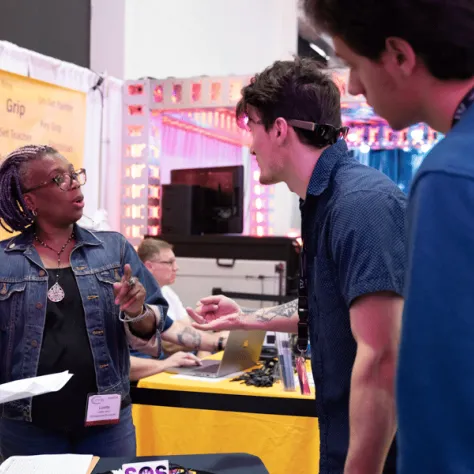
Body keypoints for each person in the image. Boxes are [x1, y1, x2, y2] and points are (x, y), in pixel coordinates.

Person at [187, 58, 407, 474]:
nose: (250, 145)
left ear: (280, 129)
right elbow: (331, 306)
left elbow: (382, 359)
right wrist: (248, 319)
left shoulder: (361, 206)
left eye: (251, 126)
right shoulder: (326, 202)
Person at [303, 1, 474, 472]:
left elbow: (445, 390)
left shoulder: (449, 176)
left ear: (399, 55)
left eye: (355, 65)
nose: (354, 86)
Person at [0, 145, 222, 459]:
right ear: (30, 200)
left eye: (74, 174)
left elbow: (151, 327)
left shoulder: (113, 250)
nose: (74, 183)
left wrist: (136, 311)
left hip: (105, 423)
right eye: (58, 179)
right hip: (28, 428)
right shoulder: (4, 262)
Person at [136, 238, 213, 358]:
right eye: (170, 262)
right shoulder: (139, 298)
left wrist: (204, 353)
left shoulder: (166, 291)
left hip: (186, 356)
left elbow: (186, 327)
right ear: (149, 266)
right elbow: (168, 343)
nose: (176, 267)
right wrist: (208, 343)